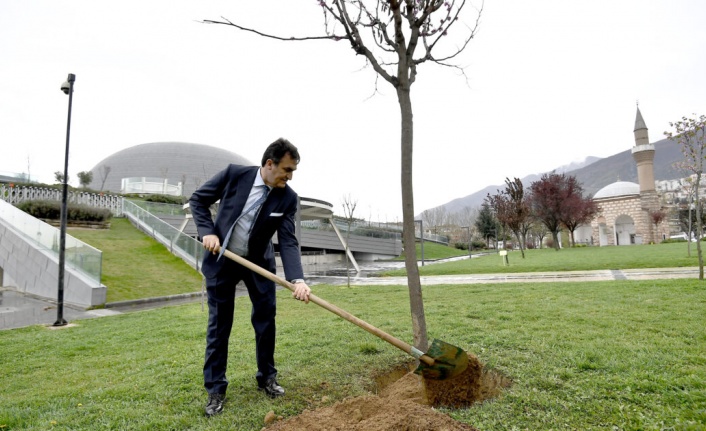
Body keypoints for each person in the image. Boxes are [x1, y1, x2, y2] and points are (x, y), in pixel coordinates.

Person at [189, 138, 311, 417]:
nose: (290, 176)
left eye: (292, 171)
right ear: (269, 164)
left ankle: (267, 378)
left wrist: (298, 279)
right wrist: (207, 231)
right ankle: (215, 389)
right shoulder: (235, 175)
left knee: (266, 321)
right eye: (287, 169)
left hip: (259, 265)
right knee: (220, 326)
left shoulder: (287, 198)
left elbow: (288, 241)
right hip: (223, 260)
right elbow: (198, 199)